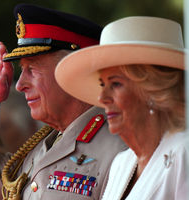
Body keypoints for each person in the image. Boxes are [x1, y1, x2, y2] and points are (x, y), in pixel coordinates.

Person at [0, 3, 126, 200]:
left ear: (73, 71)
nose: (20, 85)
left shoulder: (122, 146)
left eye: (32, 70)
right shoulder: (45, 145)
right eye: (22, 70)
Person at [55, 16, 188, 199]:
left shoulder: (184, 152)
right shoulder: (122, 162)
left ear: (152, 90)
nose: (102, 98)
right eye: (102, 85)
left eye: (116, 84)